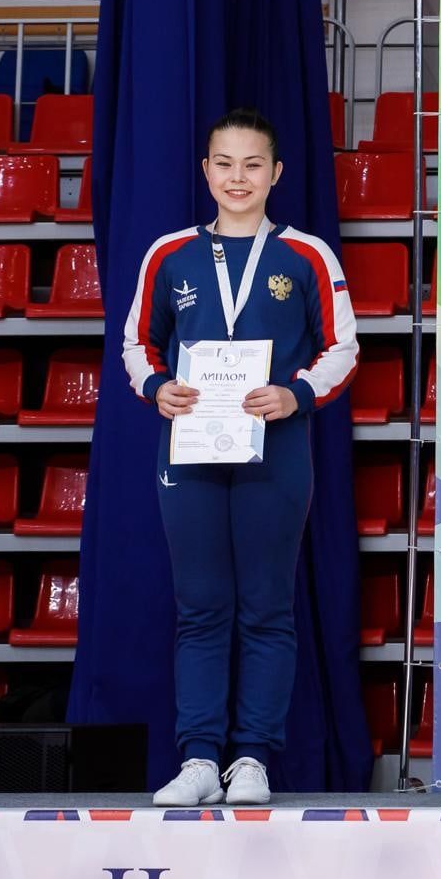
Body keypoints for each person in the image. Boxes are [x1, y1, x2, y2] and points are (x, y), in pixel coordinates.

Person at [122, 108, 358, 806]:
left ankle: (251, 757)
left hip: (275, 450)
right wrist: (156, 387)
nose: (237, 177)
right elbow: (137, 343)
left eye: (252, 165)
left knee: (266, 607)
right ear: (205, 171)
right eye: (224, 163)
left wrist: (296, 394)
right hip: (190, 449)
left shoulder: (307, 254)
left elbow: (342, 347)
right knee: (200, 608)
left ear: (275, 173)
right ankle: (198, 756)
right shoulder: (168, 254)